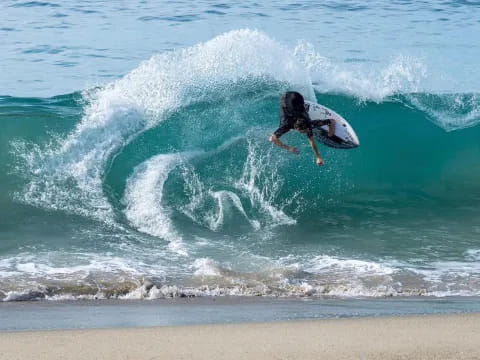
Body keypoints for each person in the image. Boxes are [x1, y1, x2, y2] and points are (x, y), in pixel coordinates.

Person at [269, 91, 335, 166]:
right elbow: (272, 139)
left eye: (305, 131)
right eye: (304, 132)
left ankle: (304, 106)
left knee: (306, 117)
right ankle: (303, 106)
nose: (306, 132)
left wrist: (318, 157)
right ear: (296, 129)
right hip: (291, 97)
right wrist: (288, 148)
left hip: (297, 96)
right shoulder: (286, 125)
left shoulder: (307, 123)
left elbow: (311, 141)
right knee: (298, 111)